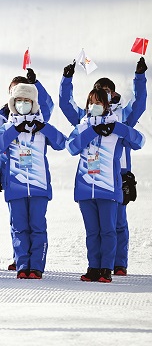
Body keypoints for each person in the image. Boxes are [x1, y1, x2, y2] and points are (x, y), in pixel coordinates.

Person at [60, 58, 147, 276]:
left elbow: (140, 105)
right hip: (90, 179)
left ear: (113, 95)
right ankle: (97, 266)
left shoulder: (122, 116)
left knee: (117, 224)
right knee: (96, 229)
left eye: (106, 91)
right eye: (98, 90)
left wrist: (139, 77)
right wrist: (66, 80)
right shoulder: (86, 118)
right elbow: (66, 106)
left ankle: (117, 263)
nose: (102, 95)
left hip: (117, 174)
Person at [0, 83, 66, 279]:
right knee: (19, 228)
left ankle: (37, 267)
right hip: (15, 187)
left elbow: (62, 143)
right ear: (12, 103)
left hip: (39, 186)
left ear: (33, 103)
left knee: (37, 227)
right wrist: (15, 130)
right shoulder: (8, 126)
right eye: (19, 100)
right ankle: (22, 265)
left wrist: (45, 128)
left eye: (27, 101)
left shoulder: (42, 127)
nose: (22, 104)